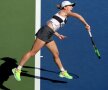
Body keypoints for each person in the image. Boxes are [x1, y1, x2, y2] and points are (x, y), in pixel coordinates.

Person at [12, 0, 90, 81]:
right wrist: (86, 24)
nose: (72, 7)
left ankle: (62, 71)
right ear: (65, 7)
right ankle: (17, 70)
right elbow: (78, 16)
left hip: (49, 33)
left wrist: (58, 34)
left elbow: (49, 23)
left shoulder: (63, 14)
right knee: (33, 52)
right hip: (44, 33)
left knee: (56, 54)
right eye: (70, 5)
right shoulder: (65, 12)